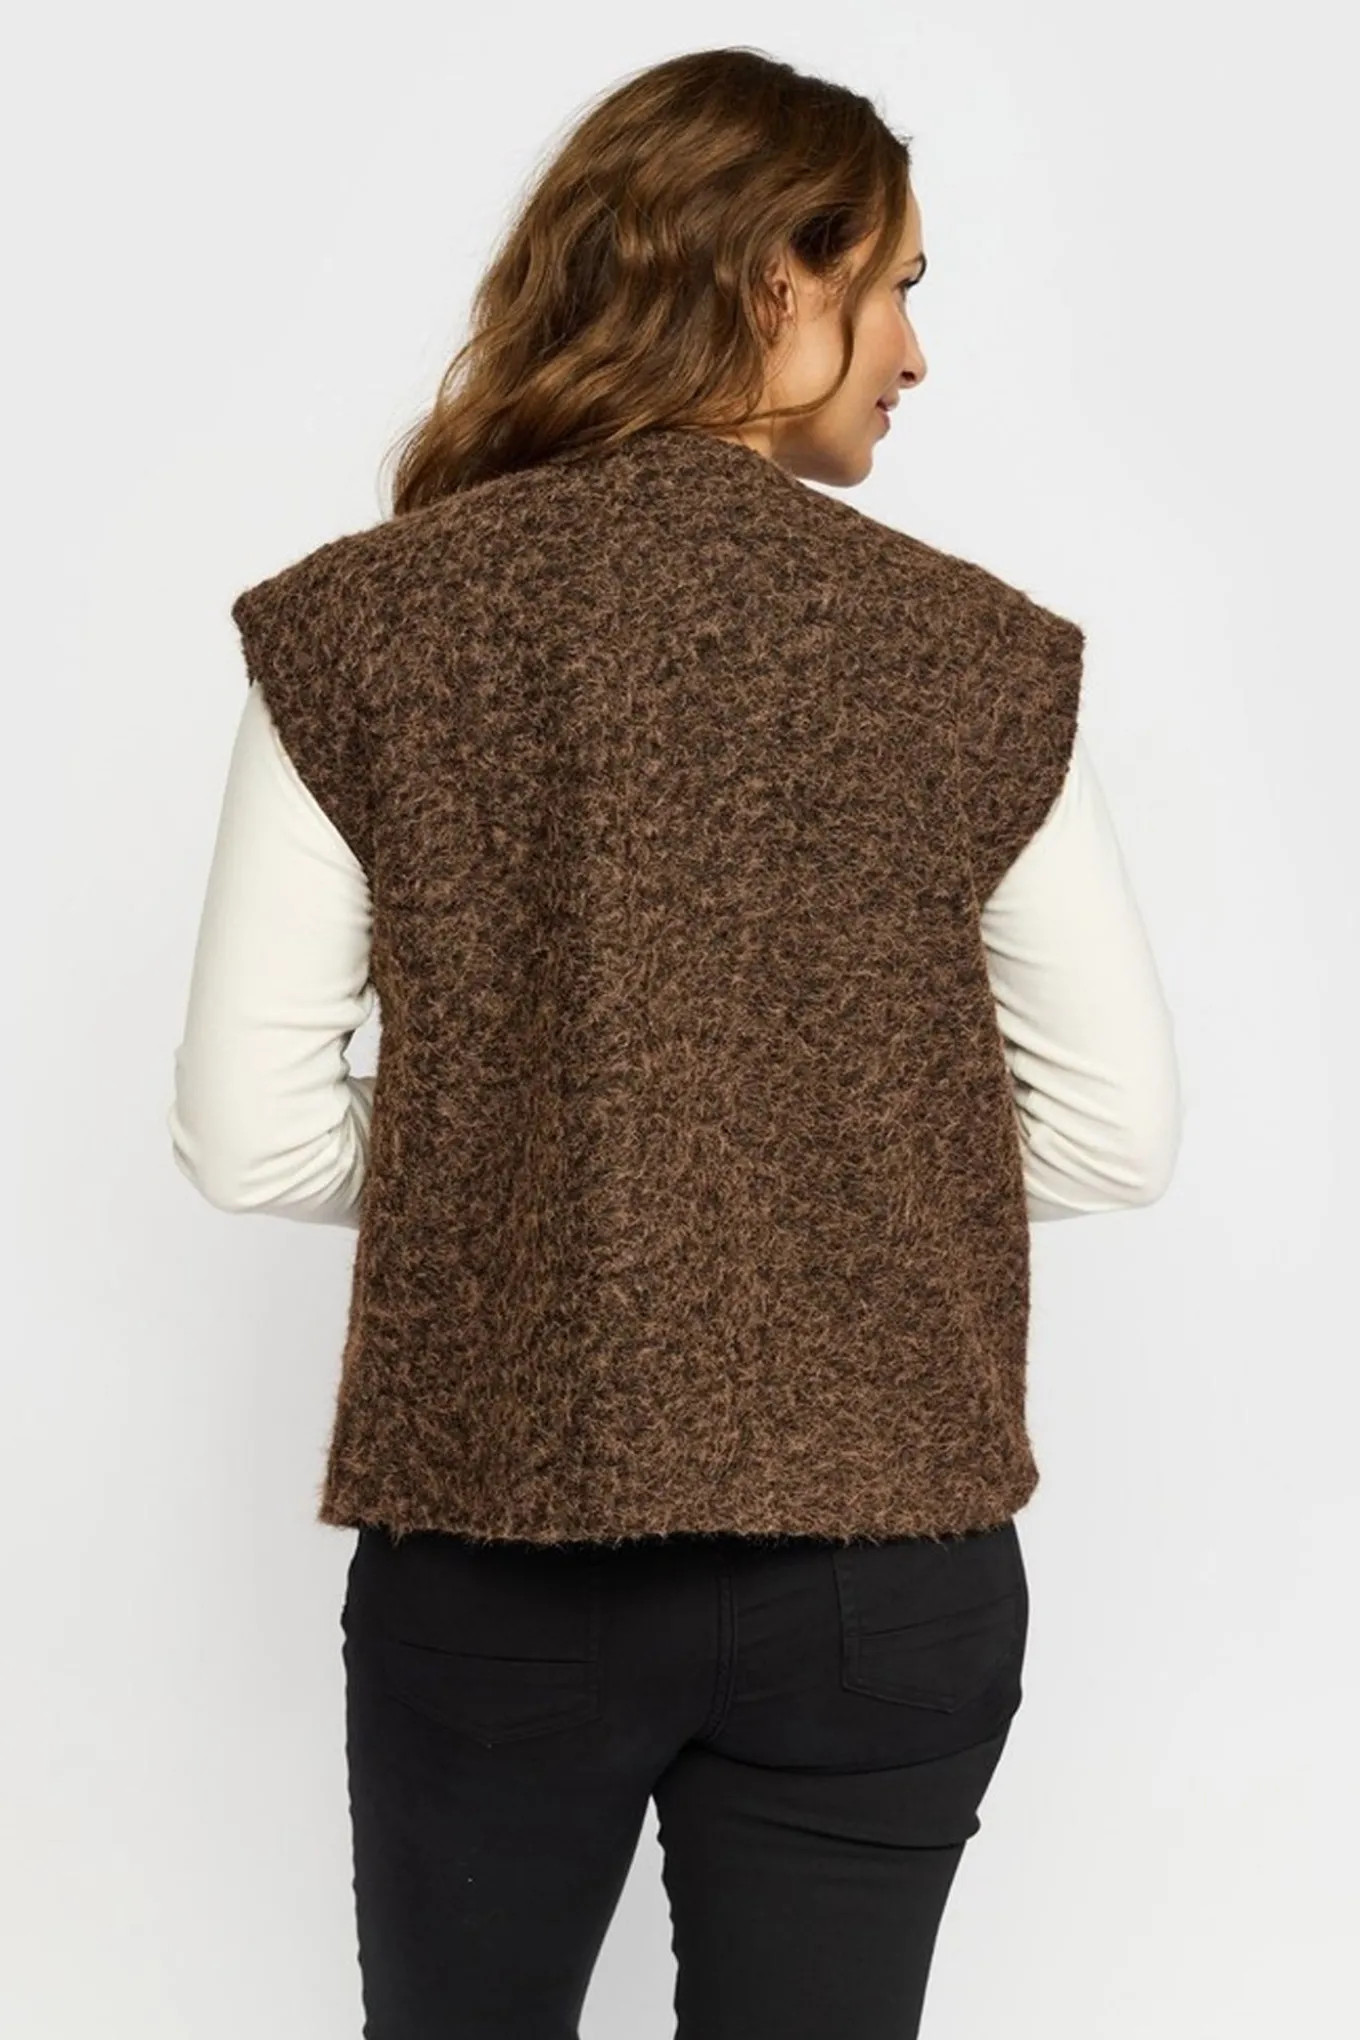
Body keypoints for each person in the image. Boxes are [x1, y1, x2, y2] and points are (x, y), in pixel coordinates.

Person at [168, 44, 1180, 2040]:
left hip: (500, 1555)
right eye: (895, 285)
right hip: (883, 1564)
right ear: (772, 276)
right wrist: (800, 1180)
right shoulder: (976, 655)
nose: (916, 352)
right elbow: (1112, 1135)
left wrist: (545, 1163)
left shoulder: (368, 630)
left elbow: (250, 1133)